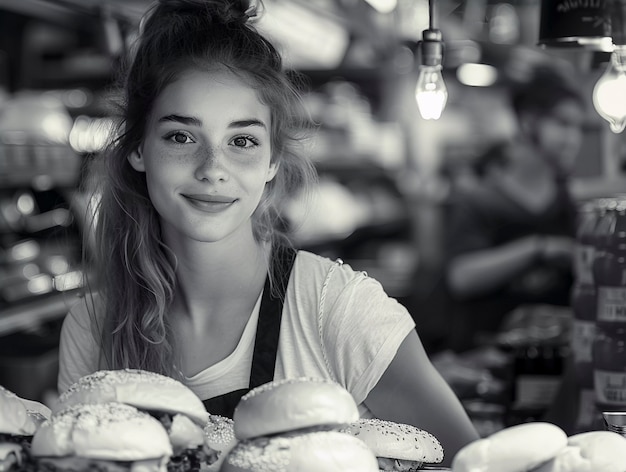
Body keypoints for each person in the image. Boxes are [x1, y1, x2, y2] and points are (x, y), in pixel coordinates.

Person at [57, 0, 479, 465]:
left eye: (242, 141)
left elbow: (473, 462)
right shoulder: (92, 327)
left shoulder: (335, 309)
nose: (212, 169)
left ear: (272, 160)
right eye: (181, 136)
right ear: (138, 148)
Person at [443, 64, 586, 352]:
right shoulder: (479, 199)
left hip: (554, 357)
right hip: (487, 359)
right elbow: (461, 278)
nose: (574, 138)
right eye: (563, 124)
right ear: (528, 121)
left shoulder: (567, 201)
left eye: (578, 127)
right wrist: (538, 249)